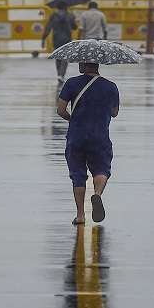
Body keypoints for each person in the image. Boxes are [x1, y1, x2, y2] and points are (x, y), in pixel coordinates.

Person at [57, 61, 119, 225]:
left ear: (84, 64)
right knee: (101, 169)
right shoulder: (110, 86)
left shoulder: (71, 83)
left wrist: (73, 119)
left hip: (76, 135)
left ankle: (80, 215)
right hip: (100, 136)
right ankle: (97, 194)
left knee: (78, 175)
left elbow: (61, 109)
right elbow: (115, 112)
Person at [42, 2, 78, 83]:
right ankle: (62, 75)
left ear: (57, 7)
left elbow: (48, 27)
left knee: (58, 56)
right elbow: (74, 27)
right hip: (67, 39)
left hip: (56, 39)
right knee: (65, 57)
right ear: (66, 7)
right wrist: (74, 20)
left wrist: (43, 39)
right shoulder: (70, 15)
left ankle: (59, 74)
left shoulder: (54, 15)